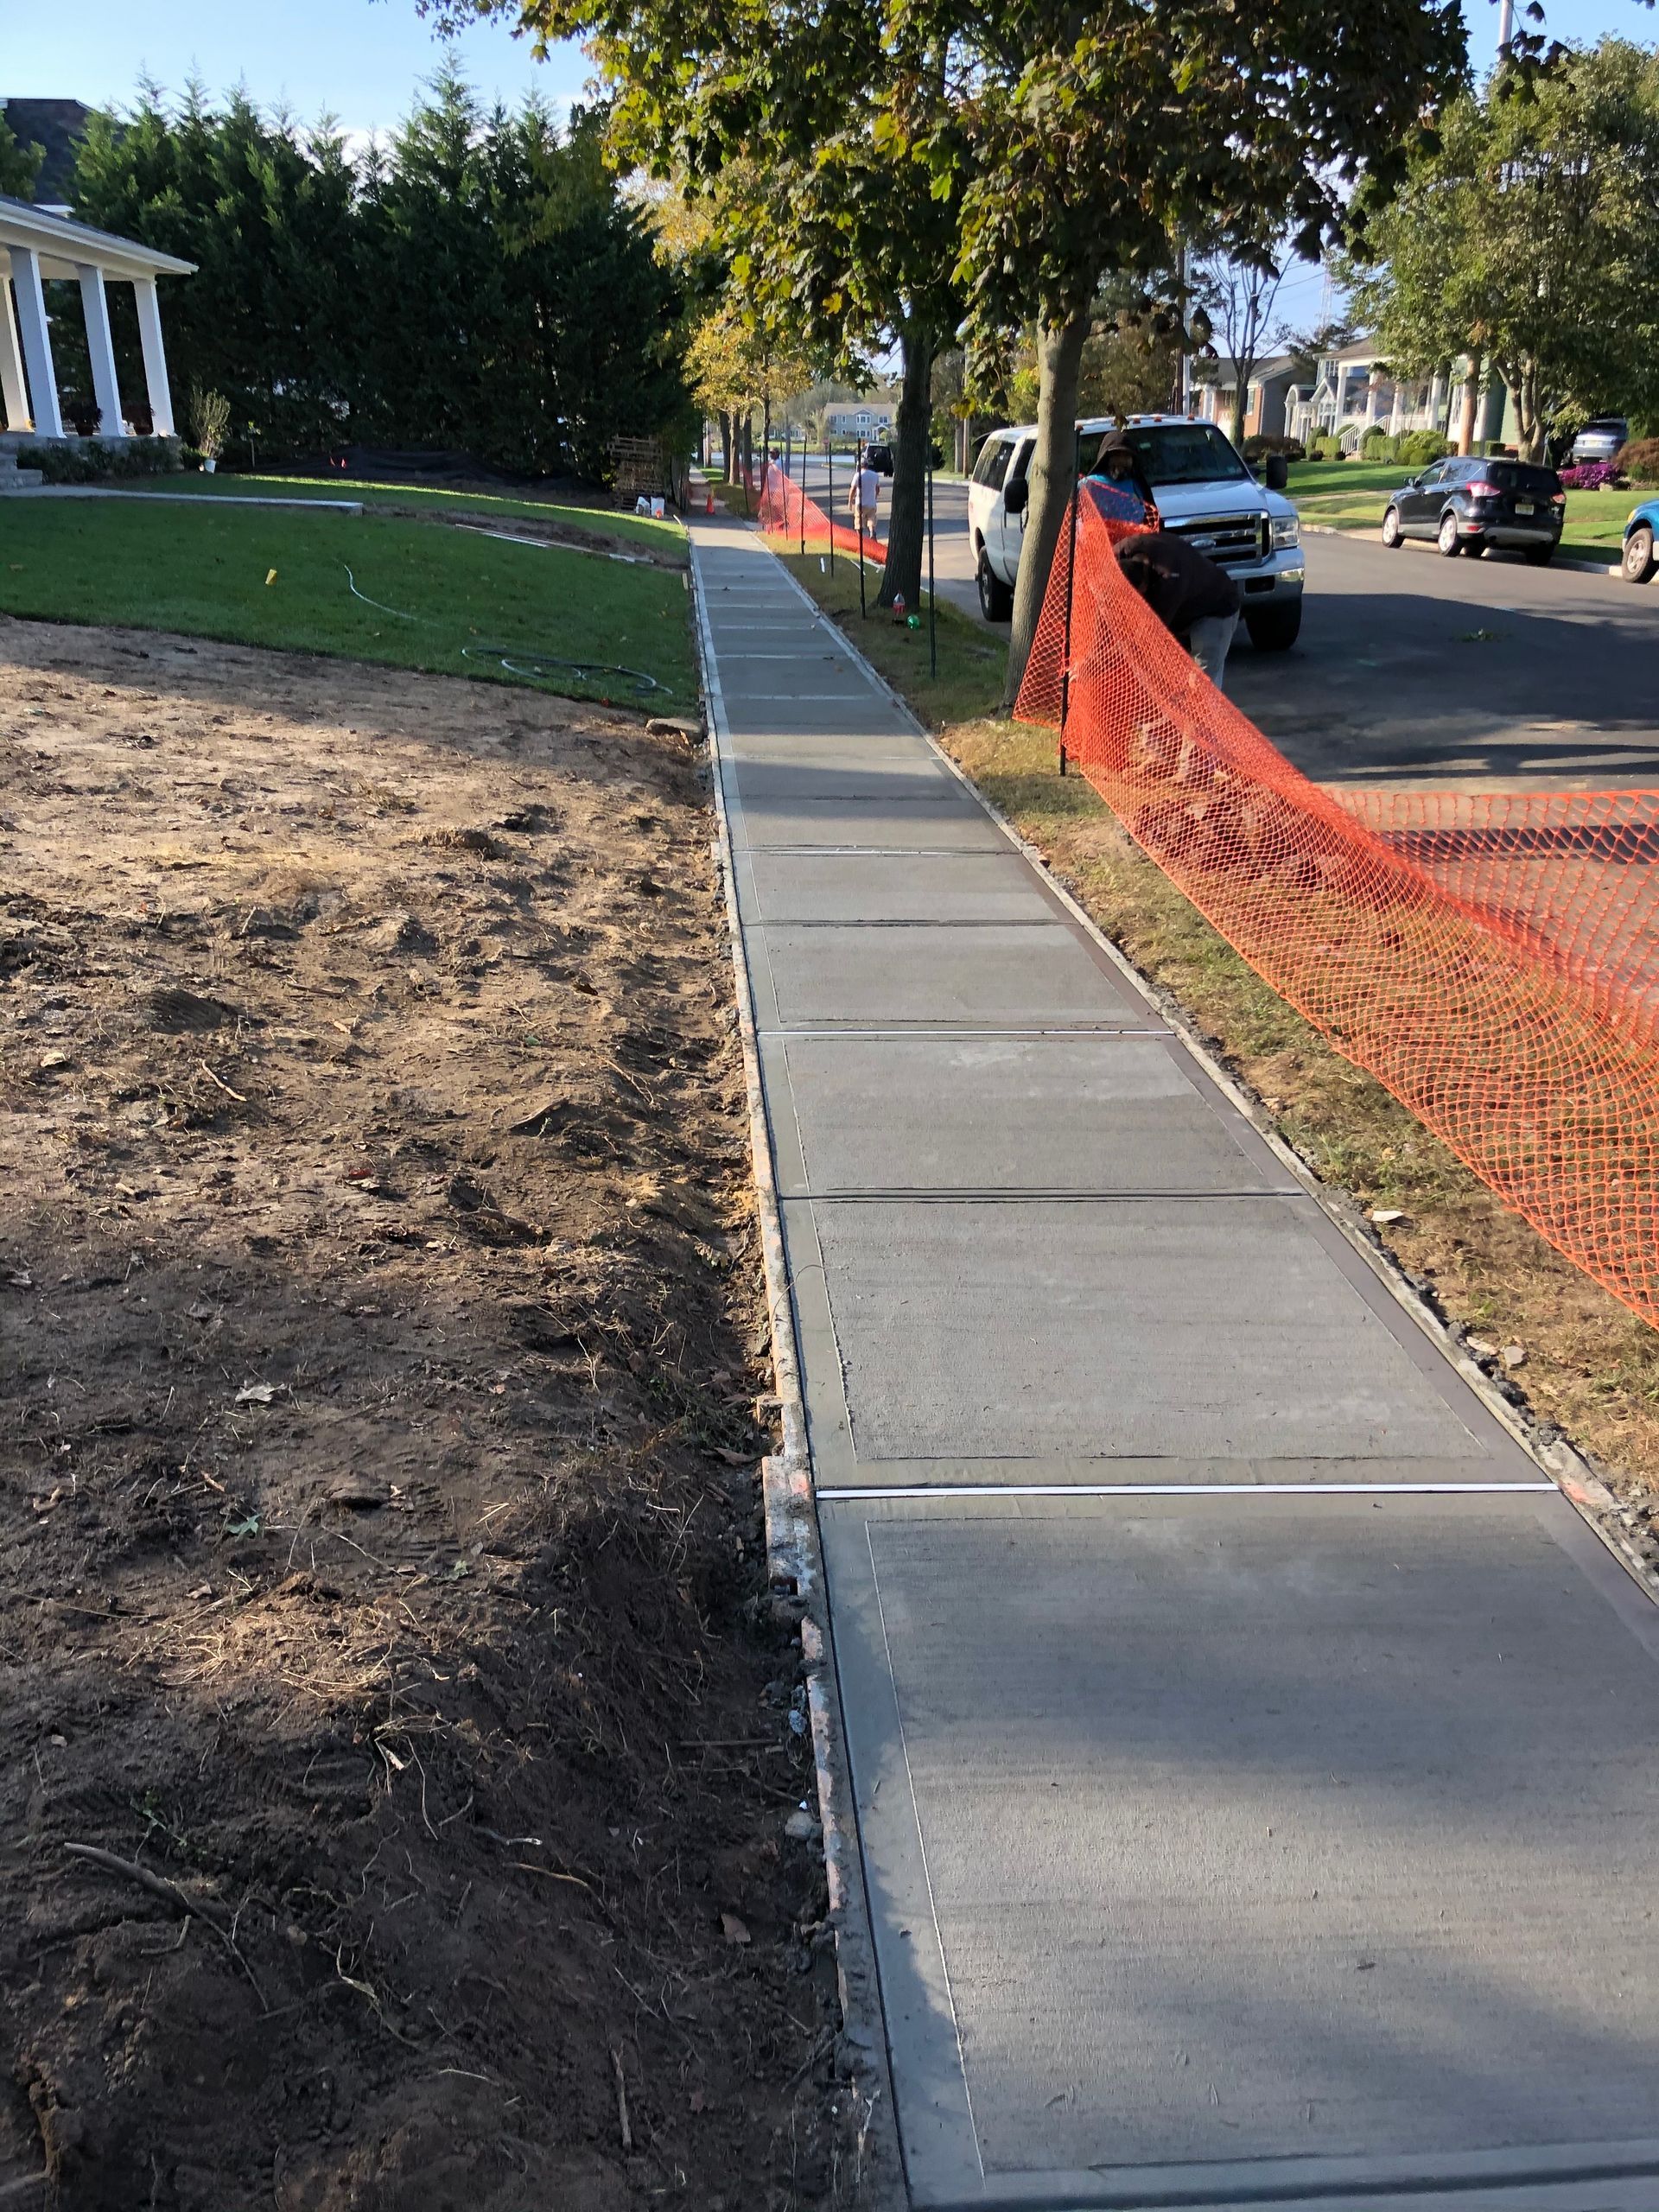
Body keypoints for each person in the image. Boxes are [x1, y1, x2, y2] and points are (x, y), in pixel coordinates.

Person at [1115, 531, 1241, 690]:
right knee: (1172, 680)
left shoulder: (1169, 582)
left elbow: (1152, 635)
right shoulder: (1123, 550)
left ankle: (1201, 714)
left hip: (1216, 608)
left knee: (1202, 685)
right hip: (1185, 607)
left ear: (1144, 586)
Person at [1087, 428, 1159, 528]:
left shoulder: (1138, 486)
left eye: (1126, 456)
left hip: (1133, 542)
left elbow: (1150, 524)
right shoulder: (1088, 485)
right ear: (1105, 458)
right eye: (1116, 455)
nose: (1121, 461)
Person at [850, 452, 881, 538]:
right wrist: (875, 497)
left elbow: (853, 489)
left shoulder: (857, 475)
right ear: (868, 465)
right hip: (871, 503)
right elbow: (877, 489)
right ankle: (872, 532)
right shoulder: (875, 475)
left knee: (859, 520)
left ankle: (860, 539)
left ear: (860, 466)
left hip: (860, 503)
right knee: (871, 519)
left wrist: (850, 501)